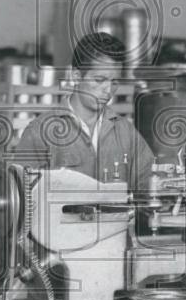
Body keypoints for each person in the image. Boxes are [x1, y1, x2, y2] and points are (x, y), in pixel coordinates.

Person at [15, 33, 154, 190]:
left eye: (115, 81)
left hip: (118, 216)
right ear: (76, 76)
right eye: (99, 80)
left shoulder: (126, 133)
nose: (108, 90)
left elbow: (148, 188)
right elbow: (22, 199)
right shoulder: (39, 133)